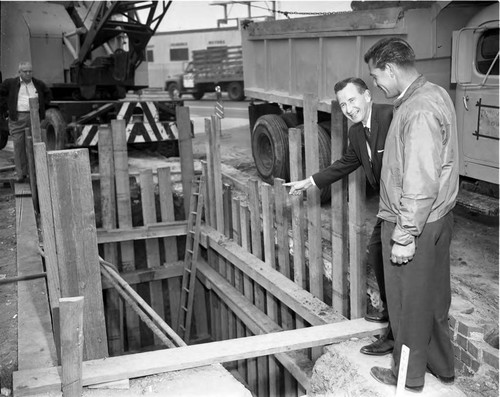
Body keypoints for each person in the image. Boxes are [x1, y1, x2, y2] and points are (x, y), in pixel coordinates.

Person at [364, 37, 458, 393]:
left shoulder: (417, 109)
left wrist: (403, 236)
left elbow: (419, 181)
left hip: (414, 224)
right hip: (437, 219)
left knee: (407, 307)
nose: (377, 85)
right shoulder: (435, 93)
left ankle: (408, 377)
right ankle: (442, 367)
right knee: (433, 301)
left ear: (390, 69)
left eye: (376, 77)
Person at [284, 77, 394, 356]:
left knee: (395, 266)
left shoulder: (392, 116)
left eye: (352, 100)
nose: (348, 108)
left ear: (367, 95)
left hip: (404, 205)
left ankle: (394, 334)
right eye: (343, 104)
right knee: (376, 253)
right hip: (389, 206)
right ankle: (389, 311)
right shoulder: (357, 133)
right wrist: (309, 181)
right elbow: (346, 163)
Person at [0, 61, 51, 182]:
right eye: (25, 71)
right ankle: (21, 175)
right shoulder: (10, 83)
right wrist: (6, 109)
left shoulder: (38, 84)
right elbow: (1, 94)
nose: (28, 73)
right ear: (19, 72)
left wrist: (42, 108)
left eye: (30, 71)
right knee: (19, 146)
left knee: (36, 144)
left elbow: (48, 95)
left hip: (34, 117)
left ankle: (36, 173)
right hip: (17, 118)